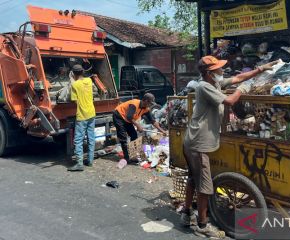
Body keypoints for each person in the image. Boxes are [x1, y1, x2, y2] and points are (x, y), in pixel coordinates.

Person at [180, 56, 278, 238]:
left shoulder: (214, 83)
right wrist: (241, 90)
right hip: (198, 144)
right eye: (218, 69)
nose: (222, 71)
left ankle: (186, 214)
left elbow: (238, 78)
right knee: (205, 186)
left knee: (194, 179)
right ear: (210, 74)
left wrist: (261, 69)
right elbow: (231, 101)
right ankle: (202, 224)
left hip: (192, 140)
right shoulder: (205, 87)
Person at [113, 93, 167, 162]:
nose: (150, 105)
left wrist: (162, 131)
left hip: (127, 119)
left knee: (134, 135)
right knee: (123, 137)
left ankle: (133, 155)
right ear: (146, 101)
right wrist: (138, 125)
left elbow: (152, 120)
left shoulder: (146, 109)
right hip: (119, 116)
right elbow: (129, 116)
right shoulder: (134, 104)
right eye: (150, 103)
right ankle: (127, 157)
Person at [68, 64, 96, 171]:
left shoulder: (75, 85)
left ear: (73, 73)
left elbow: (74, 100)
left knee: (78, 140)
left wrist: (71, 80)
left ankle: (79, 164)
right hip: (92, 113)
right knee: (91, 137)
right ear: (83, 72)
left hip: (82, 115)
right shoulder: (89, 81)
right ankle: (90, 161)